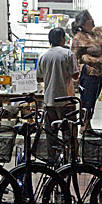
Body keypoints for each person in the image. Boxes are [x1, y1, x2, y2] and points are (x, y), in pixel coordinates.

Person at [36, 27, 79, 163]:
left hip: (49, 102)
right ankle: (71, 161)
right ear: (62, 39)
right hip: (67, 101)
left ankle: (52, 161)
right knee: (70, 134)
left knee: (51, 134)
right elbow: (75, 75)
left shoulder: (43, 56)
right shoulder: (68, 54)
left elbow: (39, 78)